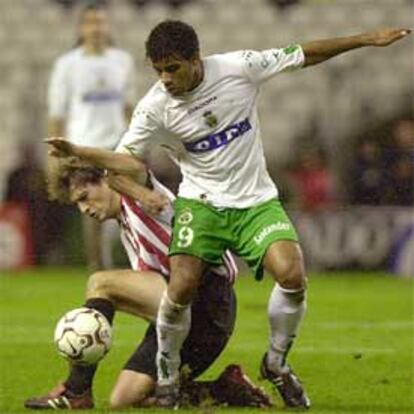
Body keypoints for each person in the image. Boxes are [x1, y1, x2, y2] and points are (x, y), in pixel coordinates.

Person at [45, 22, 411, 409]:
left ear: (194, 59)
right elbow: (127, 160)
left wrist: (365, 40)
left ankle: (276, 364)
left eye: (172, 68)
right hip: (201, 204)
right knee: (176, 294)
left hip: (255, 201)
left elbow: (303, 54)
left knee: (291, 275)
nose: (165, 79)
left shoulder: (238, 68)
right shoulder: (156, 106)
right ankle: (169, 379)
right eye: (158, 71)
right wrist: (82, 152)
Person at [24, 163, 272, 410]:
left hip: (207, 300)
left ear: (106, 179)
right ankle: (225, 389)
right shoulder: (125, 225)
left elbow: (131, 161)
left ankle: (76, 390)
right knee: (124, 399)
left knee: (100, 283)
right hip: (186, 327)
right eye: (77, 204)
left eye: (84, 197)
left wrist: (78, 153)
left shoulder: (139, 196)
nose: (84, 209)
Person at [47, 3, 136, 270]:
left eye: (101, 22)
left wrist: (136, 145)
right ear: (82, 28)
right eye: (91, 22)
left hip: (116, 146)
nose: (97, 28)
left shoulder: (122, 61)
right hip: (83, 146)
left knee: (126, 204)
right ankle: (98, 267)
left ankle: (135, 261)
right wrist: (55, 155)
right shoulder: (67, 65)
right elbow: (57, 112)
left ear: (108, 27)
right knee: (92, 210)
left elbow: (129, 107)